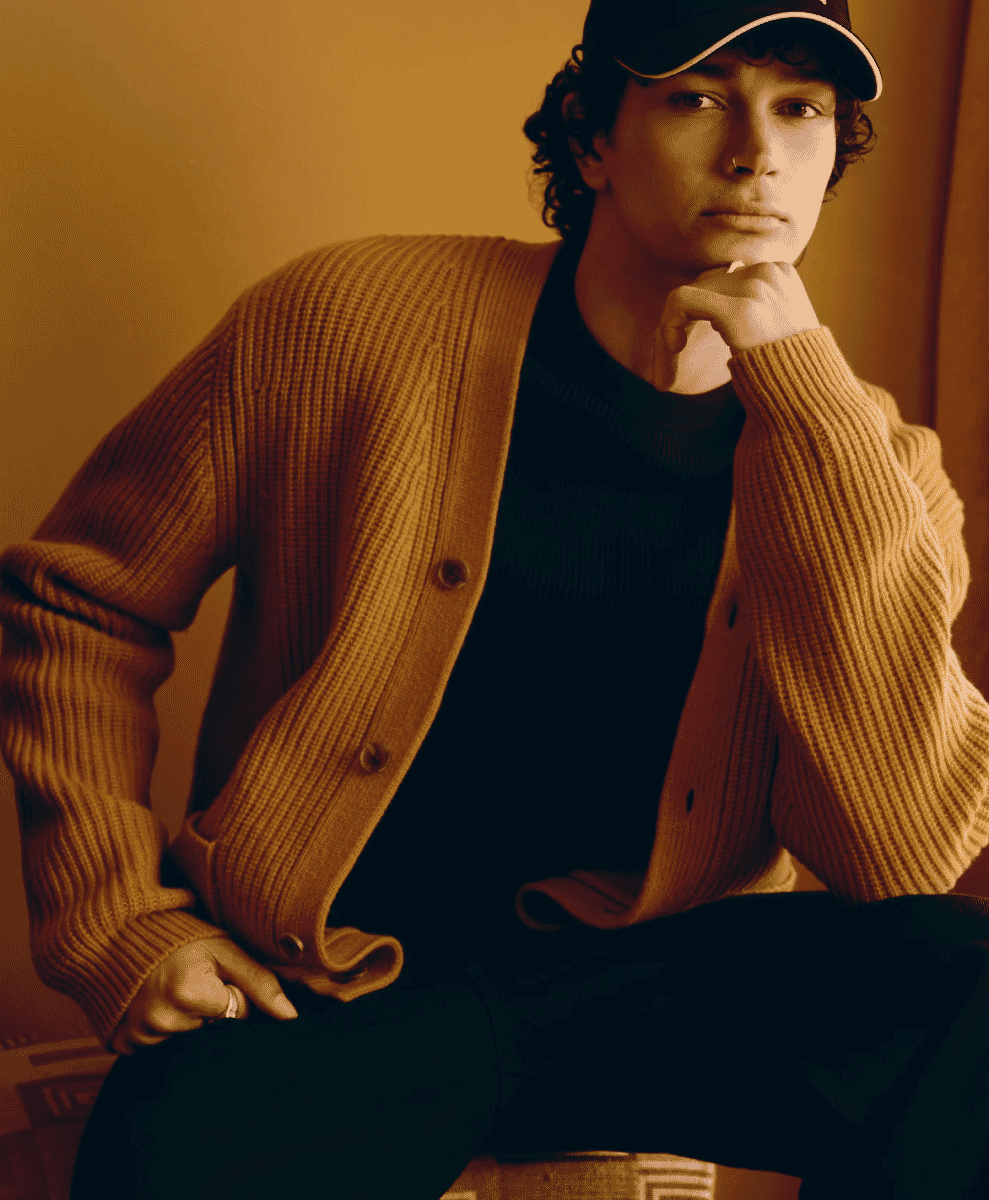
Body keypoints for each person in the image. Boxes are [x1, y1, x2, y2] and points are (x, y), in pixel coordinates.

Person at [2, 1, 988, 1197]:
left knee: (962, 988)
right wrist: (117, 920)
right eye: (693, 96)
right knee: (164, 1150)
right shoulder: (344, 322)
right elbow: (77, 602)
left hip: (655, 990)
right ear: (588, 139)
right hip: (333, 988)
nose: (752, 152)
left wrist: (808, 404)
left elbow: (894, 856)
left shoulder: (880, 468)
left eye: (799, 110)